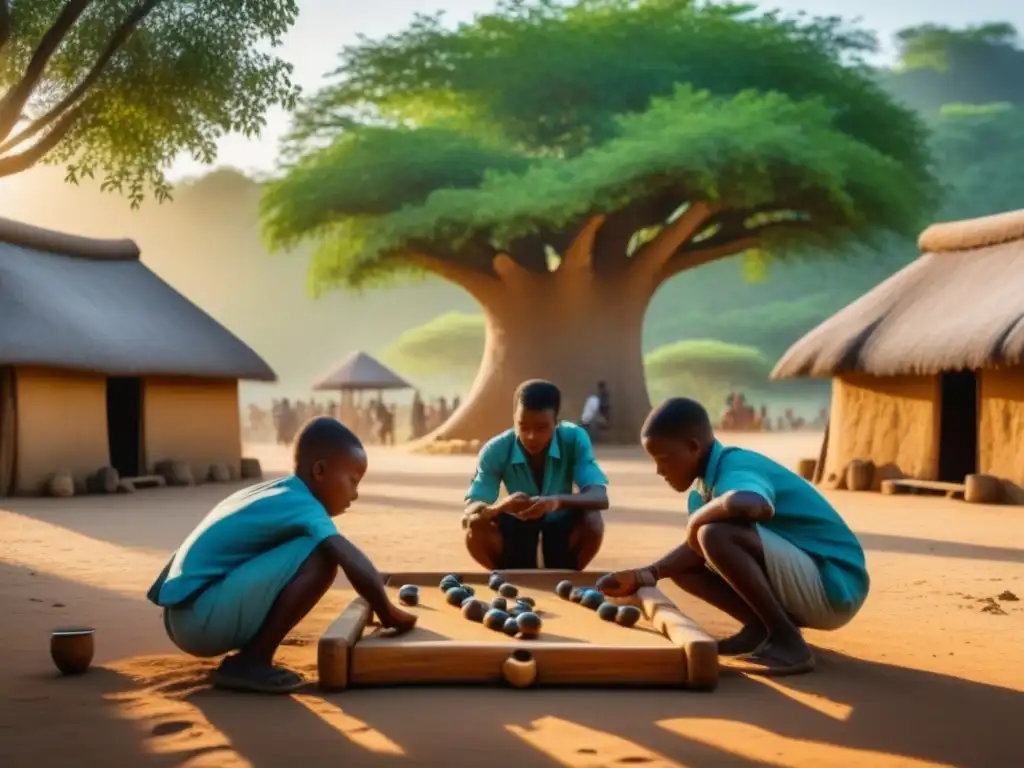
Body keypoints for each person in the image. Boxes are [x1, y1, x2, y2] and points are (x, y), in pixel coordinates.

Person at [597, 397, 868, 676]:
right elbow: (695, 549)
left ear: (693, 447)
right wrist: (645, 575)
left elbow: (753, 503)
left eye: (664, 459)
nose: (659, 470)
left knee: (714, 534)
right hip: (808, 578)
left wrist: (698, 523)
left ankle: (788, 642)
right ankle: (760, 629)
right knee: (685, 565)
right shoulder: (702, 489)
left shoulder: (736, 466)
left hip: (834, 583)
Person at [146, 417, 417, 694]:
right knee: (322, 555)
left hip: (182, 614)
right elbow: (348, 556)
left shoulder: (275, 492)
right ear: (320, 470)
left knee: (313, 546)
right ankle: (252, 661)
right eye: (353, 481)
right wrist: (388, 613)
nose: (355, 494)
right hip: (200, 618)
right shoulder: (304, 504)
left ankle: (250, 655)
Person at [463, 379, 609, 570]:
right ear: (514, 420)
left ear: (556, 422)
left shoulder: (574, 438)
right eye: (523, 426)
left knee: (593, 518)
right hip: (514, 530)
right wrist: (499, 508)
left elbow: (600, 497)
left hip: (560, 526)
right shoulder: (495, 449)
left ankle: (571, 574)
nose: (531, 436)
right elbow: (470, 510)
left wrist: (556, 502)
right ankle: (503, 576)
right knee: (476, 524)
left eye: (541, 428)